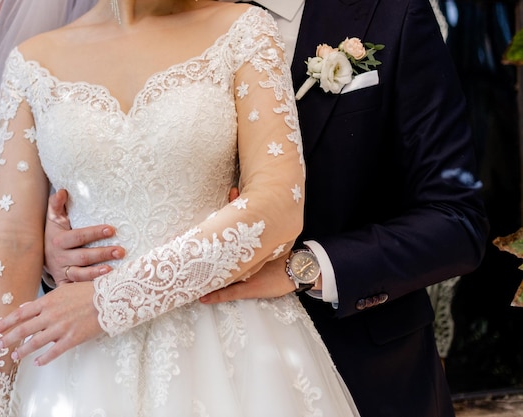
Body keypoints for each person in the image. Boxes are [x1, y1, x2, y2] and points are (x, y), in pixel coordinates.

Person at [0, 0, 362, 416]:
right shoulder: (31, 63)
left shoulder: (243, 30)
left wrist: (110, 302)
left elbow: (278, 204)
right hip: (75, 364)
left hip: (228, 346)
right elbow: (14, 238)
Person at [41, 0, 490, 416]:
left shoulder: (392, 12)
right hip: (158, 372)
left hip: (362, 370)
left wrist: (307, 267)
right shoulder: (137, 17)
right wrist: (58, 248)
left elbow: (456, 219)